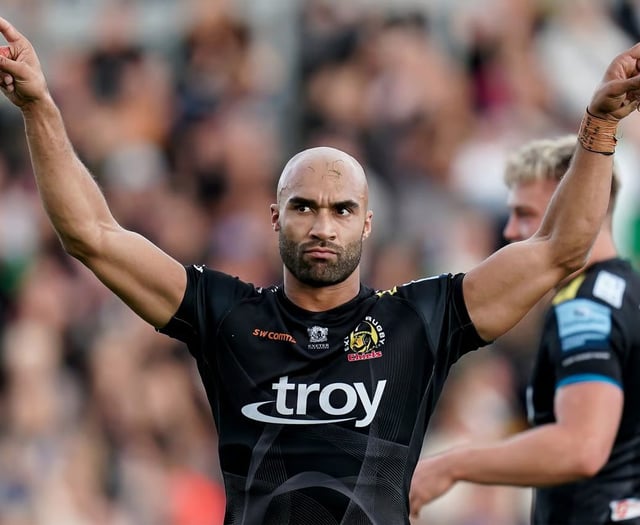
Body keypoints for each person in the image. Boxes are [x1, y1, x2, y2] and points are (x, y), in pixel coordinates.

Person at [1, 15, 640, 525]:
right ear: (274, 218)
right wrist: (39, 108)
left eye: (342, 210)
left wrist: (601, 123)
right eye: (303, 207)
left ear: (367, 223)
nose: (323, 226)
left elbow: (560, 248)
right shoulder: (226, 314)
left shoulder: (418, 320)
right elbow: (91, 235)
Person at [409, 134, 640, 525]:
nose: (511, 231)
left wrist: (451, 465)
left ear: (581, 205)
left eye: (527, 214)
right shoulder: (627, 292)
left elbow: (581, 447)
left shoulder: (584, 307)